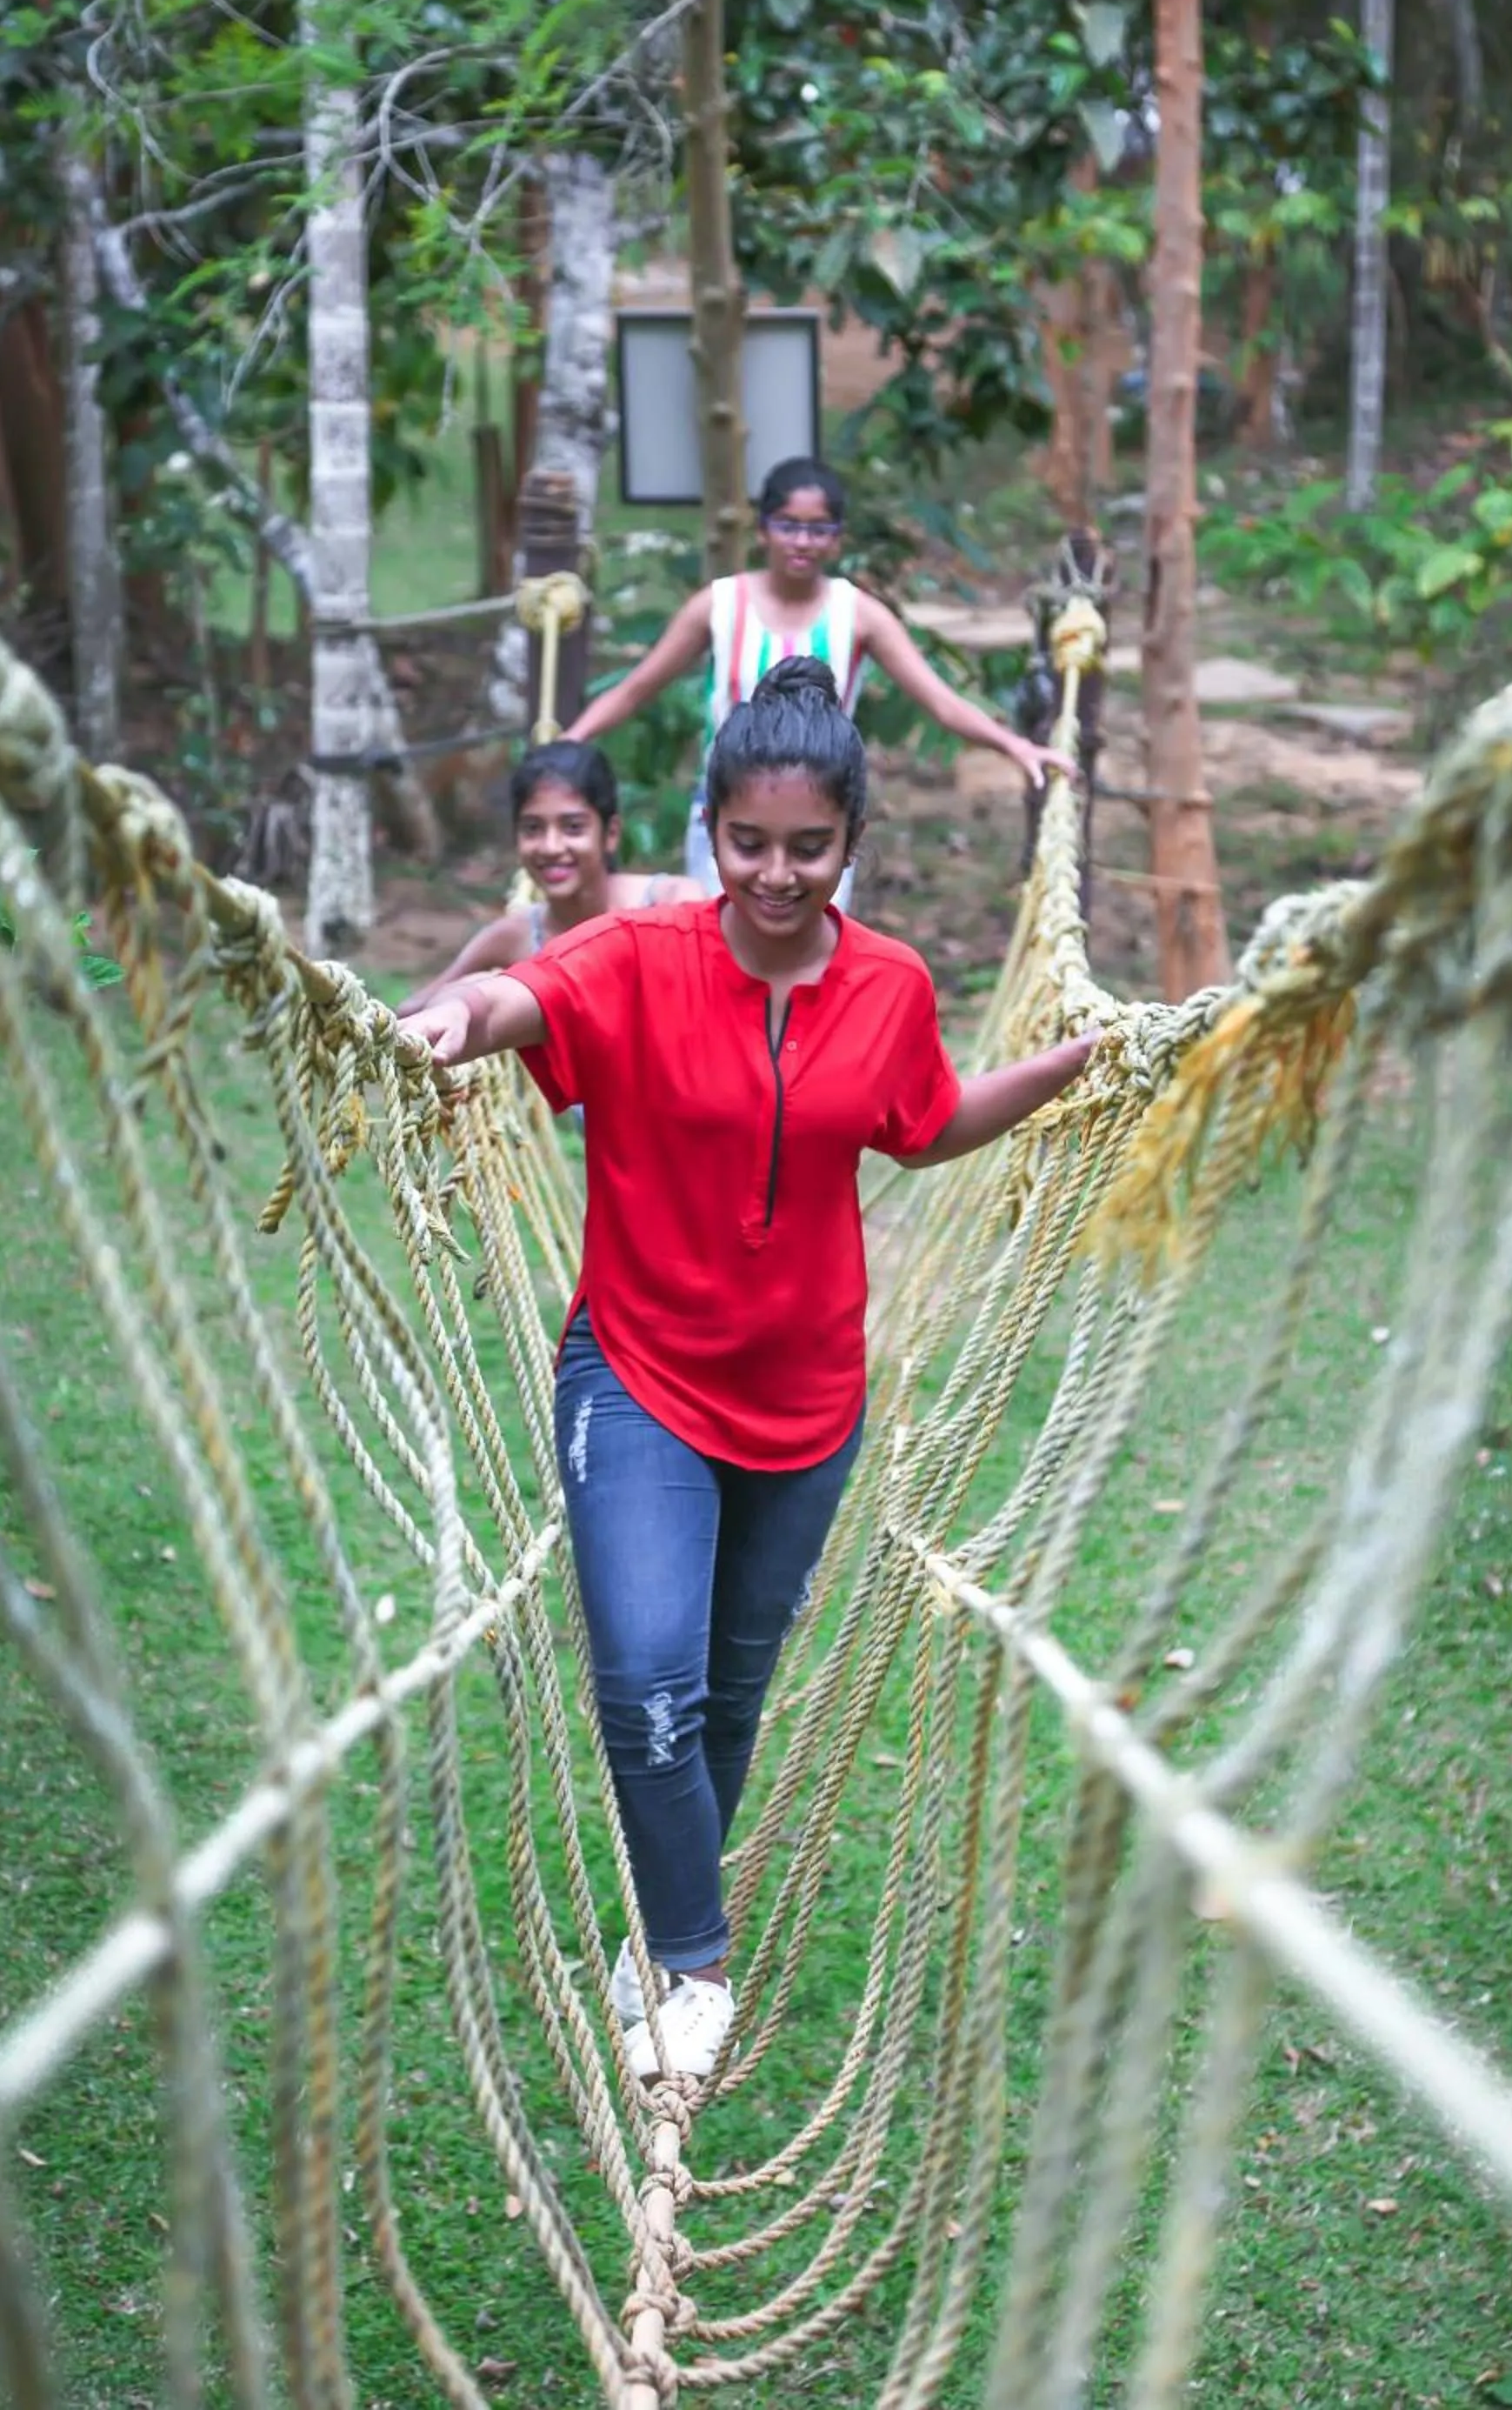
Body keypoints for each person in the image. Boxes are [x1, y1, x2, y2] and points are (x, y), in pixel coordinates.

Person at [411, 660, 1098, 2084]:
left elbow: (922, 1123)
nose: (776, 875)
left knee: (729, 1694)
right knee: (646, 1683)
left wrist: (1070, 1068)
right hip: (641, 1370)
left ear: (852, 842)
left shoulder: (893, 984)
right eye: (747, 844)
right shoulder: (641, 958)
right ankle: (694, 1956)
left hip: (807, 1404)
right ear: (705, 832)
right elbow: (518, 1003)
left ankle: (665, 1933)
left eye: (808, 848)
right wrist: (448, 1021)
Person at [562, 456, 1073, 897]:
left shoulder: (859, 615)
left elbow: (939, 701)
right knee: (724, 958)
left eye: (818, 528)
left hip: (819, 822)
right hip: (726, 816)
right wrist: (570, 741)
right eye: (787, 525)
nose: (801, 541)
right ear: (762, 529)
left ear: (836, 539)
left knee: (809, 963)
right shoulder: (719, 607)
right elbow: (636, 689)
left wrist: (1015, 746)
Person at [399, 738, 702, 1017]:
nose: (551, 847)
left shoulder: (673, 904)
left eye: (573, 827)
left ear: (610, 834)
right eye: (533, 829)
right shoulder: (514, 938)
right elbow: (418, 1008)